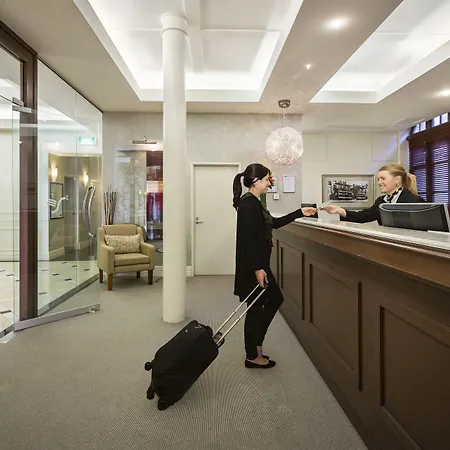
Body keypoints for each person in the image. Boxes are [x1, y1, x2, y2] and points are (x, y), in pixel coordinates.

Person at [232, 163, 317, 369]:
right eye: (266, 179)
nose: (269, 183)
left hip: (258, 264)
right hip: (254, 266)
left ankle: (255, 348)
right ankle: (252, 354)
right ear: (256, 181)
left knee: (266, 302)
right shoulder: (249, 204)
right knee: (258, 306)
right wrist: (258, 269)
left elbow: (274, 223)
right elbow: (250, 240)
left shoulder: (254, 202)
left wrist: (299, 212)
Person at [321, 164, 425, 224]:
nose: (379, 182)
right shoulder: (381, 201)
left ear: (397, 180)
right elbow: (361, 217)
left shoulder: (415, 201)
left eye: (383, 178)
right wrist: (339, 210)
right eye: (378, 179)